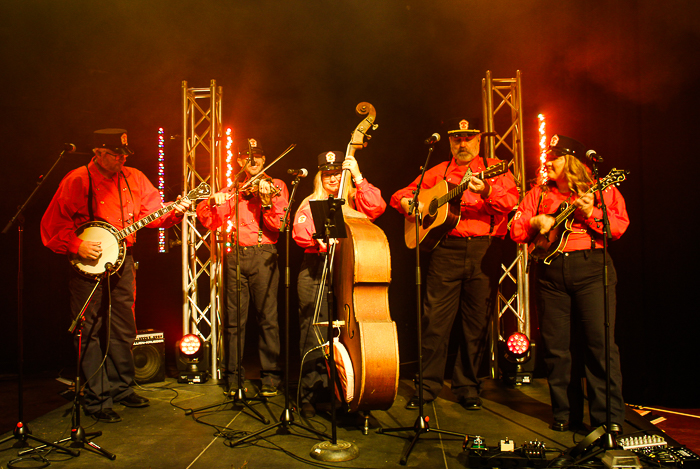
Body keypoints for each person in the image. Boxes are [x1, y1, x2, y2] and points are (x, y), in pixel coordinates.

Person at [41, 128, 191, 423]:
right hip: (87, 264)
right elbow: (51, 225)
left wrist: (175, 210)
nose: (122, 158)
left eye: (124, 153)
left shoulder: (134, 177)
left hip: (124, 260)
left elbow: (155, 216)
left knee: (124, 326)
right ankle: (97, 398)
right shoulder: (77, 179)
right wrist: (77, 245)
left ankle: (122, 388)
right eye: (115, 154)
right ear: (97, 152)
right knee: (90, 330)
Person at [391, 118, 518, 411]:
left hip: (484, 251)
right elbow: (401, 195)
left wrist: (486, 191)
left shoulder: (495, 167)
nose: (462, 144)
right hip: (445, 251)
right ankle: (427, 387)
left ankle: (468, 387)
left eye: (468, 139)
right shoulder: (439, 171)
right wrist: (413, 204)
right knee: (434, 322)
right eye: (457, 139)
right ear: (450, 143)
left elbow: (512, 201)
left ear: (478, 141)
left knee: (476, 324)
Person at [510, 134, 628, 432]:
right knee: (556, 349)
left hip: (591, 269)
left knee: (600, 346)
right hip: (550, 272)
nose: (549, 162)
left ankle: (609, 419)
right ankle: (565, 414)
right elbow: (515, 228)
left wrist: (591, 213)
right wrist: (535, 224)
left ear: (572, 162)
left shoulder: (601, 190)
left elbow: (617, 228)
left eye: (557, 157)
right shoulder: (538, 193)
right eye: (550, 156)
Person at [292, 150, 386, 418]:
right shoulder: (311, 202)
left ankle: (348, 392)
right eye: (328, 174)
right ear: (321, 176)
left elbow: (377, 208)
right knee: (313, 331)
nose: (333, 178)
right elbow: (300, 231)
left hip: (350, 269)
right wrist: (316, 239)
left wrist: (357, 175)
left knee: (348, 331)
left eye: (337, 173)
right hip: (316, 269)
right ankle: (309, 395)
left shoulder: (354, 200)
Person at [197, 139, 288, 397]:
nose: (255, 162)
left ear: (264, 159)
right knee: (234, 321)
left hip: (264, 254)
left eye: (259, 157)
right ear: (239, 162)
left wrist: (267, 201)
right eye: (249, 158)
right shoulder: (233, 189)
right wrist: (213, 202)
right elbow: (209, 221)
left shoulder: (276, 185)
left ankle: (270, 377)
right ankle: (233, 377)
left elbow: (278, 225)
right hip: (235, 255)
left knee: (268, 319)